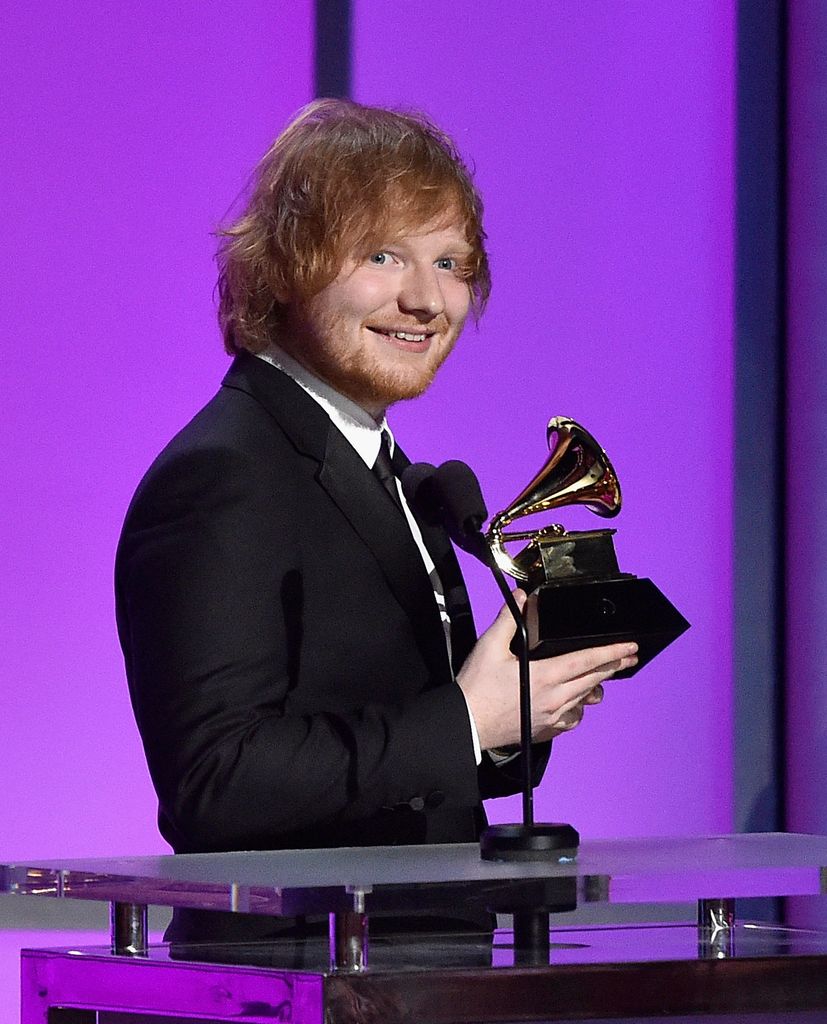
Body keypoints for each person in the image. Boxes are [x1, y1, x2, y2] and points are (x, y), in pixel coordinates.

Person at [115, 99, 637, 941]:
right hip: (295, 979)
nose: (426, 299)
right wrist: (467, 719)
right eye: (383, 255)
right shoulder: (224, 475)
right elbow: (213, 783)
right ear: (283, 267)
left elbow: (421, 750)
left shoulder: (395, 472)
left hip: (420, 970)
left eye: (452, 262)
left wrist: (515, 714)